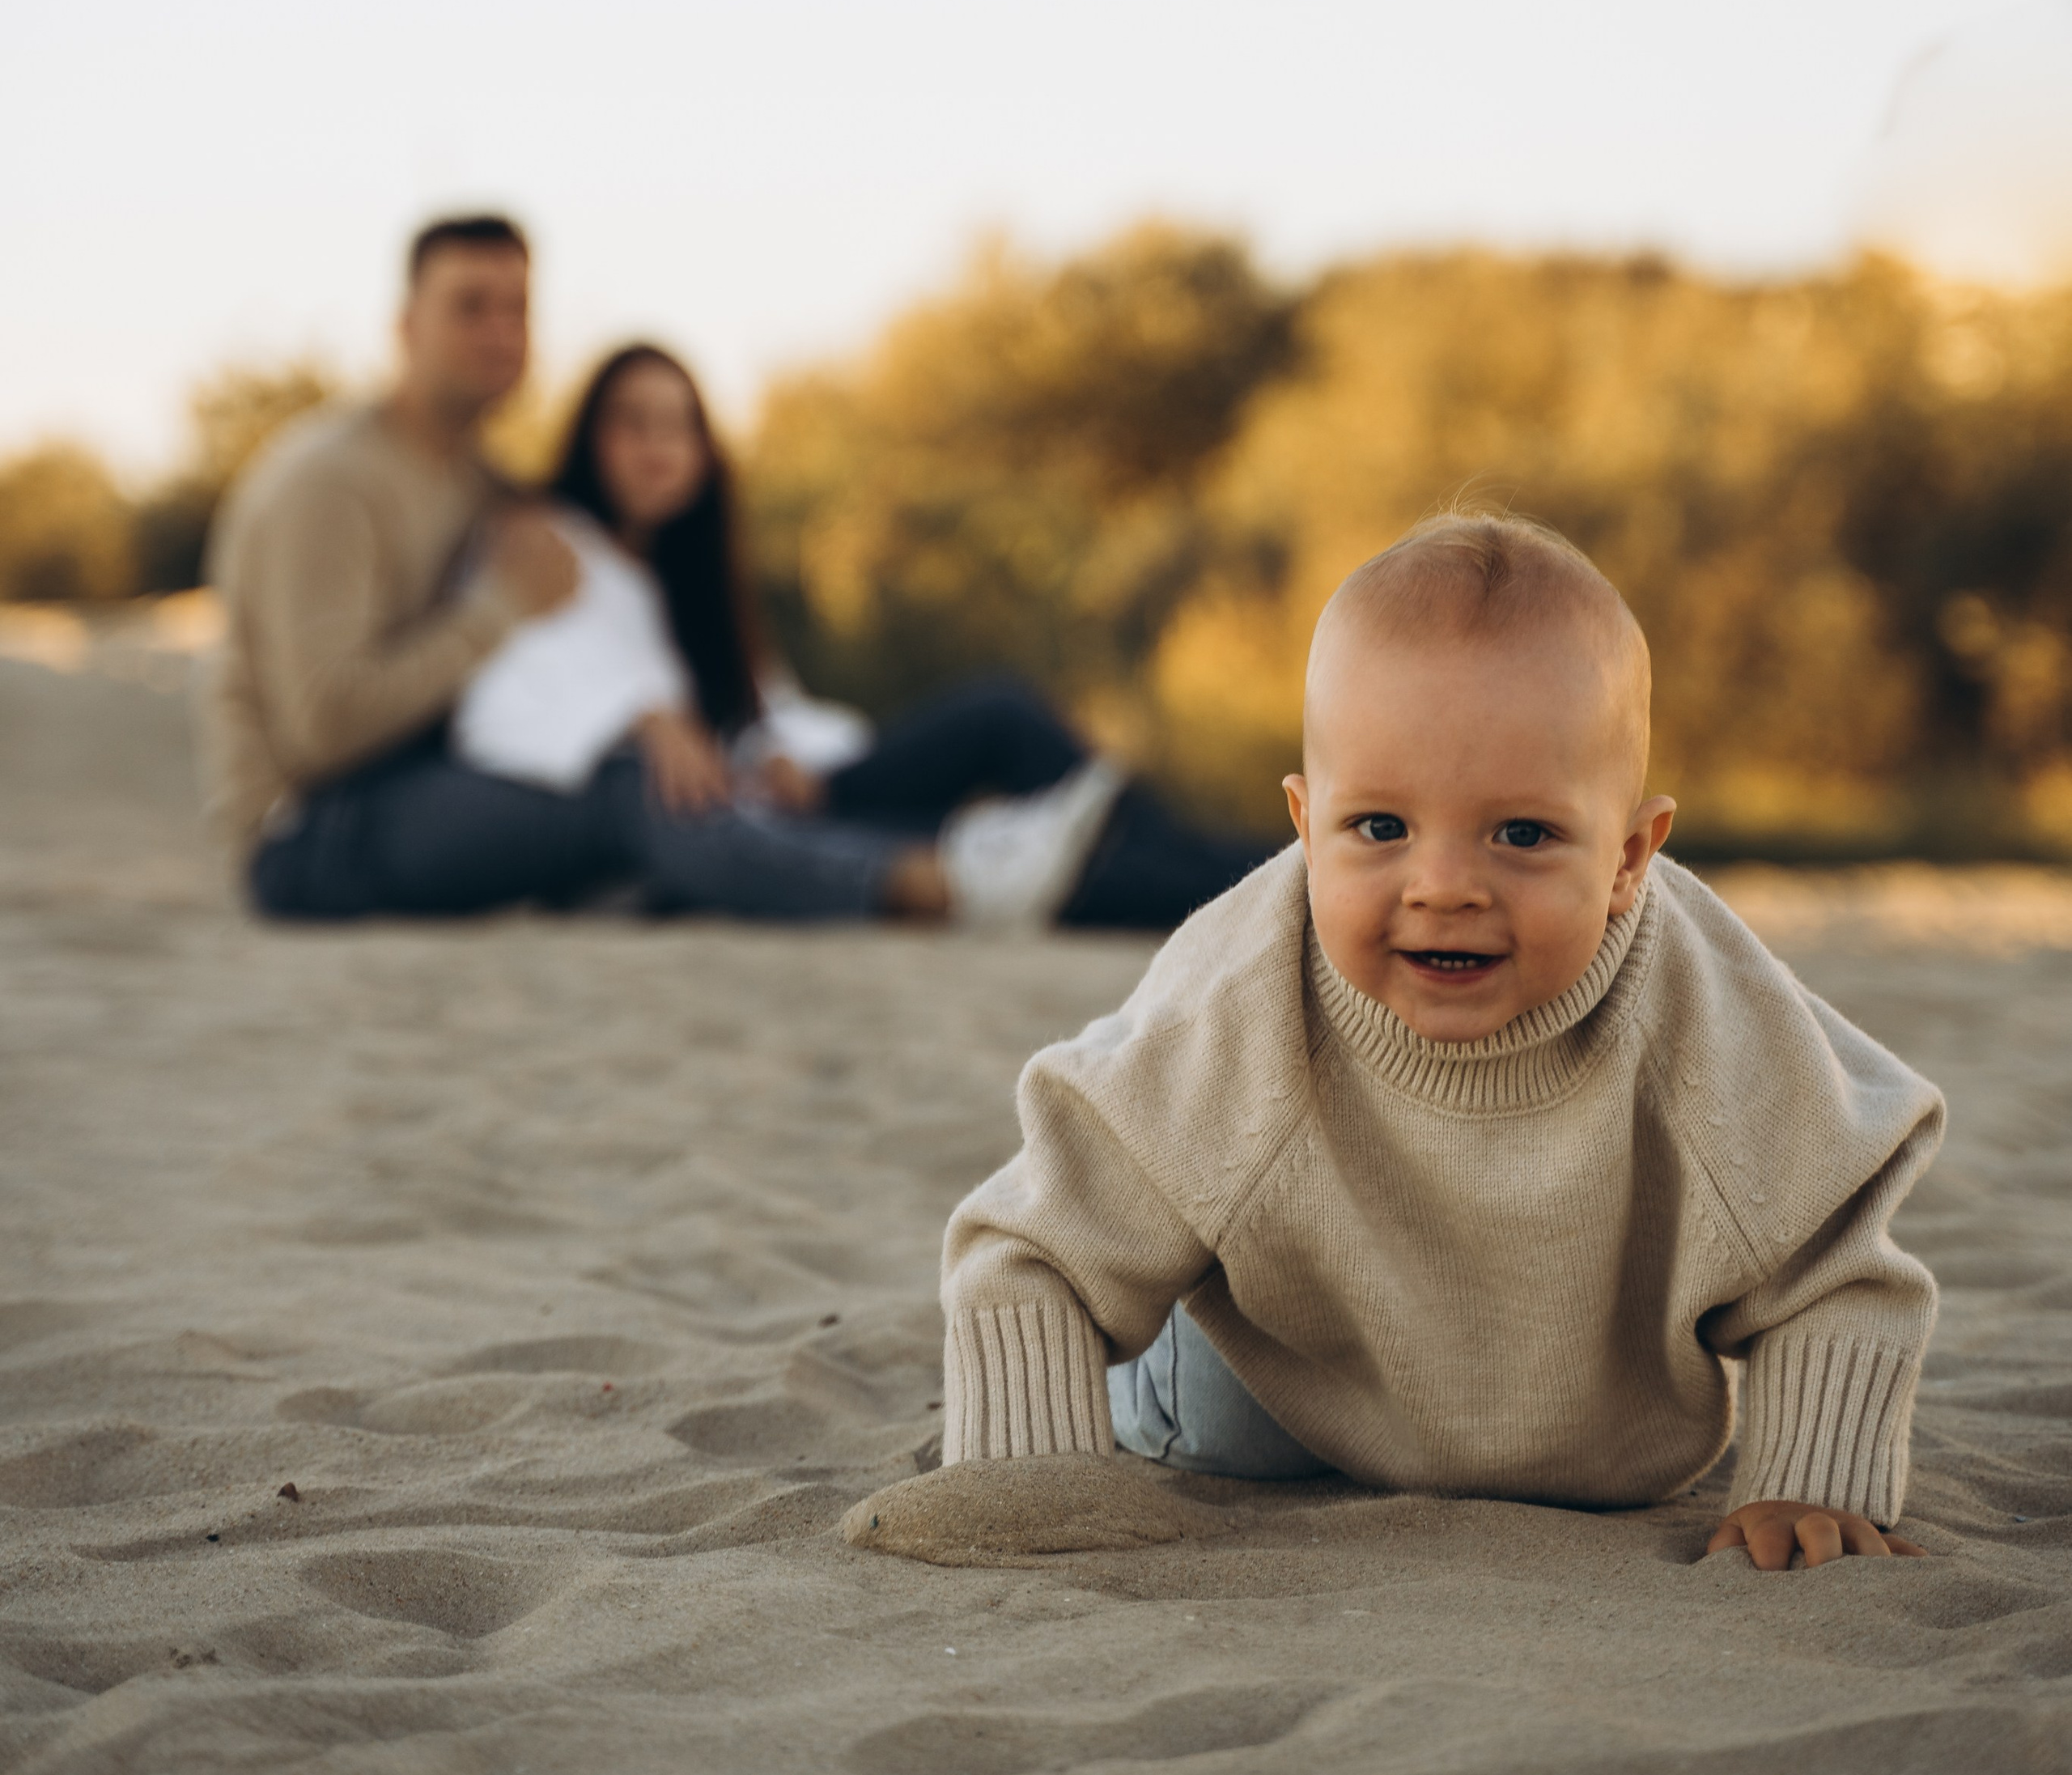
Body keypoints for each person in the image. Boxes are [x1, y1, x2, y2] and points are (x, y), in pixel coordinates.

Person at [938, 515, 1945, 1573]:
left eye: (1522, 834)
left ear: (1629, 857)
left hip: (1598, 1430)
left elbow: (1835, 1264)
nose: (1444, 888)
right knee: (1201, 1411)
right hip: (1284, 1384)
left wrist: (1808, 1487)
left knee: (1648, 1431)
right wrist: (1025, 1482)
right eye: (1379, 828)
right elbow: (1035, 1246)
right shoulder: (1244, 1000)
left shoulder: (1708, 1023)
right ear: (1304, 823)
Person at [202, 217, 944, 922]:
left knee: (679, 778)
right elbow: (322, 730)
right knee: (634, 791)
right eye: (470, 307)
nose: (499, 333)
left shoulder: (489, 490)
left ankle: (956, 852)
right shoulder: (330, 481)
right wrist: (498, 613)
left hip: (437, 787)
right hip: (312, 832)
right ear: (405, 326)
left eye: (517, 310)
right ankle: (916, 888)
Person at [451, 339, 1276, 932]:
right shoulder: (550, 549)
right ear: (589, 437)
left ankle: (1268, 875)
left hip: (794, 789)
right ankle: (1269, 891)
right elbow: (515, 701)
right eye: (633, 423)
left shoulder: (691, 577)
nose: (659, 447)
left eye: (679, 426)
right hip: (732, 829)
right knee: (1035, 854)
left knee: (1000, 718)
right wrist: (642, 716)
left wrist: (794, 757)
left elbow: (770, 708)